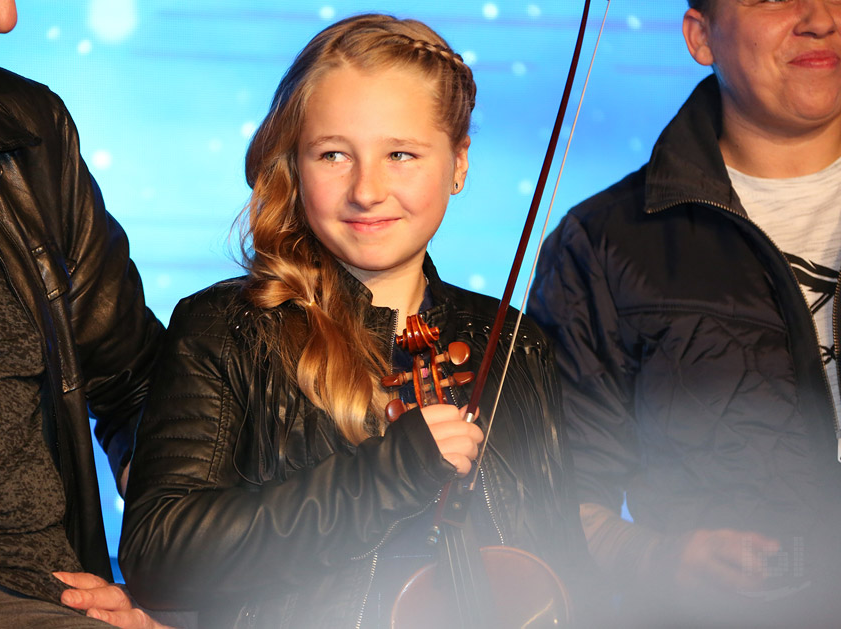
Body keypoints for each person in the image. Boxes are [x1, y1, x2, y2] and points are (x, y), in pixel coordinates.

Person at [119, 13, 590, 629]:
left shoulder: (514, 345)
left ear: (458, 163)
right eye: (334, 154)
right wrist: (387, 475)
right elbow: (161, 554)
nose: (367, 190)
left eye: (401, 154)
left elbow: (567, 566)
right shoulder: (229, 327)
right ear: (294, 163)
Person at [527, 0, 841, 626]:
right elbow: (551, 500)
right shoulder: (603, 243)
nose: (820, 17)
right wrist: (657, 560)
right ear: (701, 37)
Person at [0, 2, 172, 627]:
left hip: (34, 595)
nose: (2, 15)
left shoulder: (25, 127)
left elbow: (134, 388)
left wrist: (174, 581)